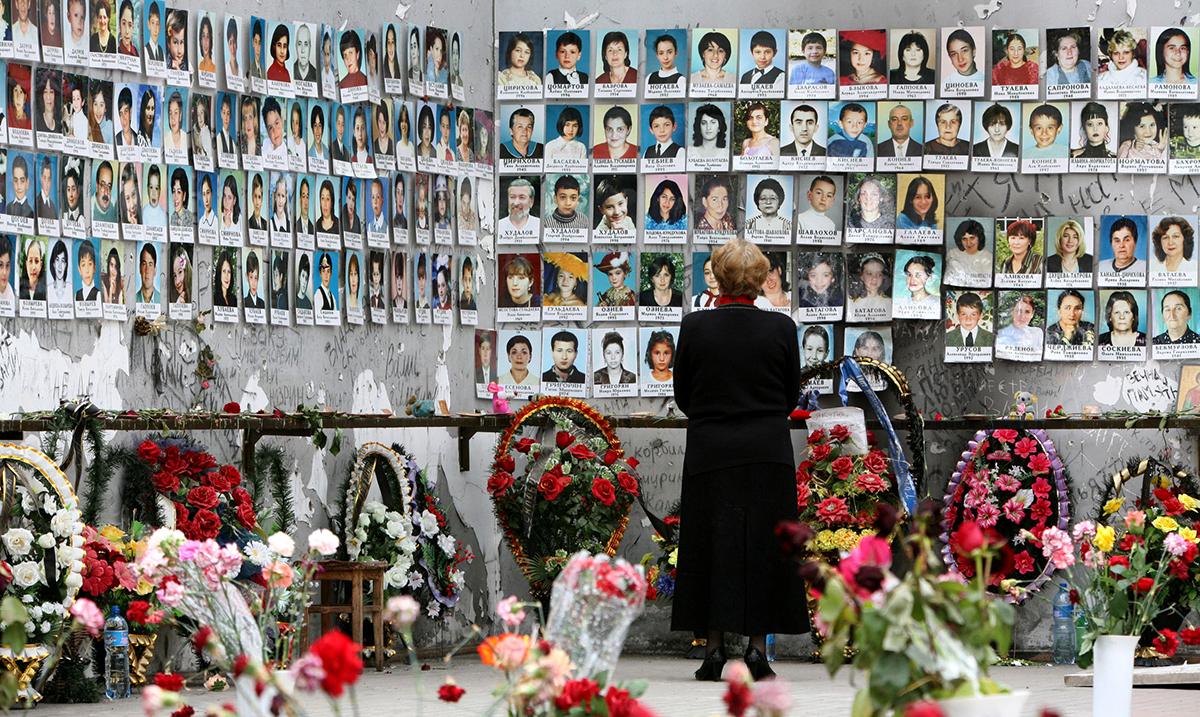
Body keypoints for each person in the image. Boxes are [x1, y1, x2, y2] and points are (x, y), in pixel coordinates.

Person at [672, 238, 804, 683]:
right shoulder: (782, 328)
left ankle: (711, 649)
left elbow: (683, 395)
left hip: (711, 447)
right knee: (763, 546)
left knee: (710, 542)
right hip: (767, 449)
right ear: (759, 279)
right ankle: (755, 650)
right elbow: (790, 395)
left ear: (719, 276)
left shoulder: (695, 327)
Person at [47, 240, 71, 305]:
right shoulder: (48, 289)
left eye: (63, 261)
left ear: (66, 265)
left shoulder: (70, 289)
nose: (60, 266)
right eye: (57, 260)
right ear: (54, 263)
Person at [192, 96, 214, 161]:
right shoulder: (197, 130)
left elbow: (209, 156)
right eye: (198, 114)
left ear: (205, 113)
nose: (200, 117)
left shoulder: (207, 132)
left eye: (202, 113)